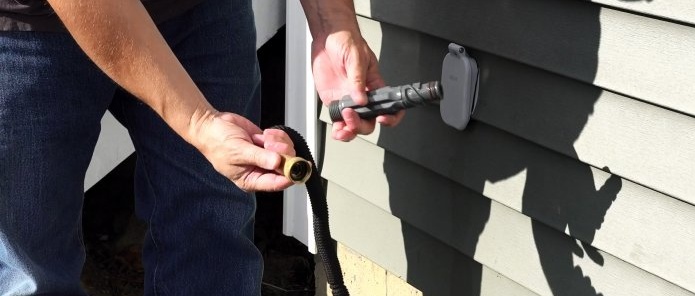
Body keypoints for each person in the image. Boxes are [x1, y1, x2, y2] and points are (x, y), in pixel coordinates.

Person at [0, 0, 403, 294]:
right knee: (31, 268)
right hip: (29, 25)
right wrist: (199, 121)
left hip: (199, 11)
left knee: (213, 232)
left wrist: (332, 23)